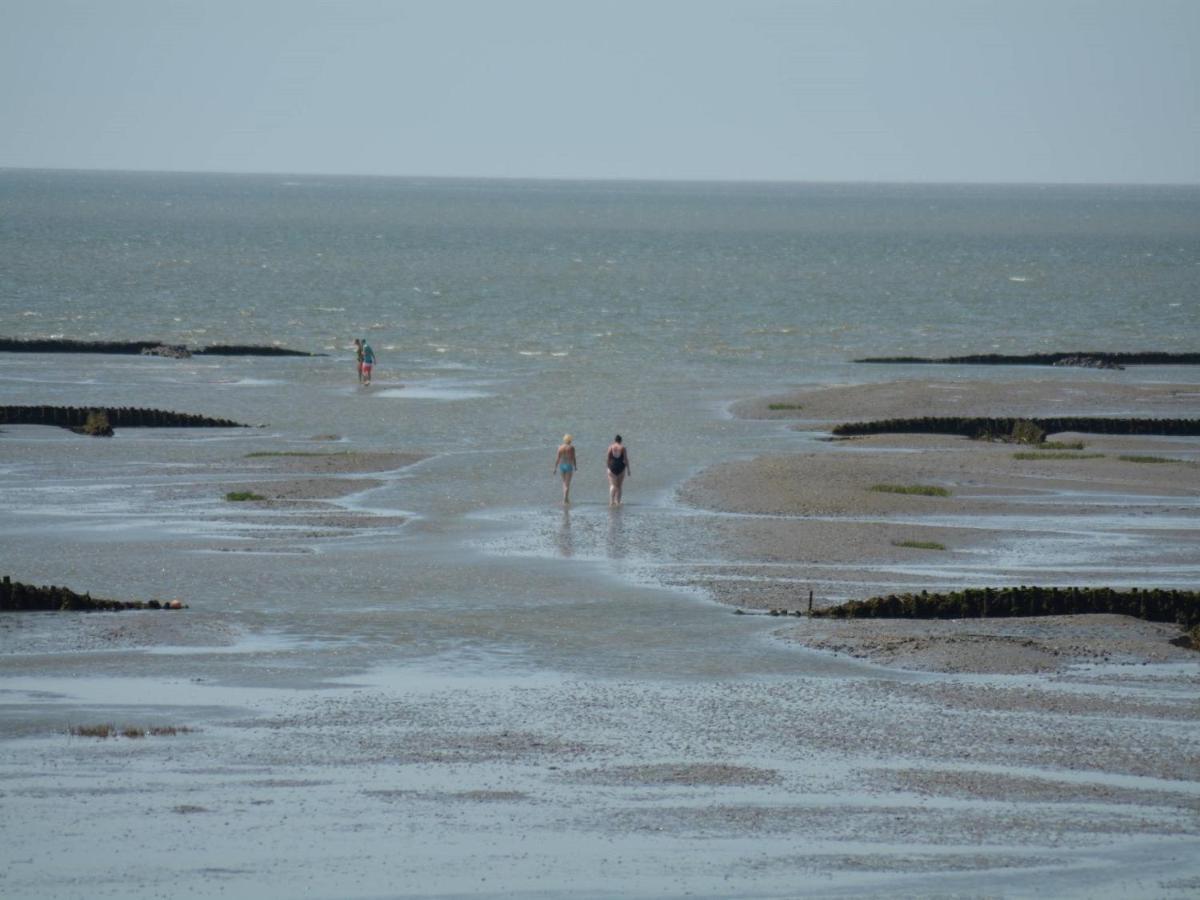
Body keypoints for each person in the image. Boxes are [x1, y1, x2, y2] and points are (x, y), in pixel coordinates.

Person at [605, 434, 630, 506]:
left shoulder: (610, 447)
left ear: (615, 440)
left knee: (612, 485)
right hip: (621, 467)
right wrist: (628, 469)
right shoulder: (622, 448)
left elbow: (607, 458)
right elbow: (625, 459)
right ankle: (618, 502)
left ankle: (611, 501)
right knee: (619, 486)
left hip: (612, 466)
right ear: (621, 441)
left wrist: (607, 467)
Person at [553, 434, 577, 504]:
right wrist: (575, 466)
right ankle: (565, 499)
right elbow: (573, 458)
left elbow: (557, 458)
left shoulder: (560, 447)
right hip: (569, 465)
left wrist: (555, 468)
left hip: (561, 466)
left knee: (564, 483)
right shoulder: (571, 448)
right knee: (567, 484)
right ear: (570, 440)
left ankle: (566, 498)